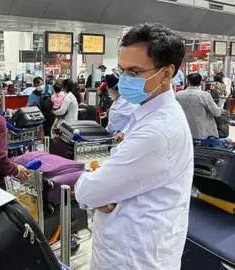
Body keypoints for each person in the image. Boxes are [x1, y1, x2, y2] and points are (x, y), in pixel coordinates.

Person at [75, 23, 193, 270]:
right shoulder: (149, 114)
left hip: (133, 258)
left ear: (166, 73)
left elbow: (90, 191)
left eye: (135, 72)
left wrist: (90, 186)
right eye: (123, 70)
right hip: (131, 248)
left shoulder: (158, 130)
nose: (124, 79)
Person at [176, 73, 221, 139]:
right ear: (200, 83)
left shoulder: (178, 95)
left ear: (188, 82)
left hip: (183, 132)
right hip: (202, 133)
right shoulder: (204, 95)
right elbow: (217, 113)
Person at [100, 74, 138, 139]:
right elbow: (118, 112)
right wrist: (108, 113)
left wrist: (123, 132)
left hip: (122, 138)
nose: (109, 92)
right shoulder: (116, 99)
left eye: (110, 90)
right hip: (112, 136)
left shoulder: (127, 102)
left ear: (117, 88)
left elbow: (136, 119)